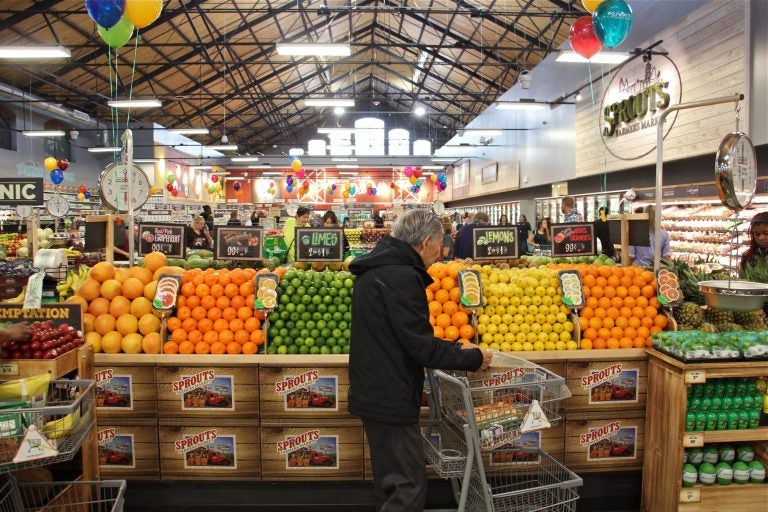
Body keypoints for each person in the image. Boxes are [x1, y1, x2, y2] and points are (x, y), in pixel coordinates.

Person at [348, 208, 491, 512]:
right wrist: (472, 357)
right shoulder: (401, 276)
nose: (441, 254)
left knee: (390, 482)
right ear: (426, 242)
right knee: (408, 486)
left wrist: (453, 349)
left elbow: (403, 336)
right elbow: (420, 346)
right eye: (440, 245)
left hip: (374, 388)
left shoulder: (377, 268)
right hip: (390, 395)